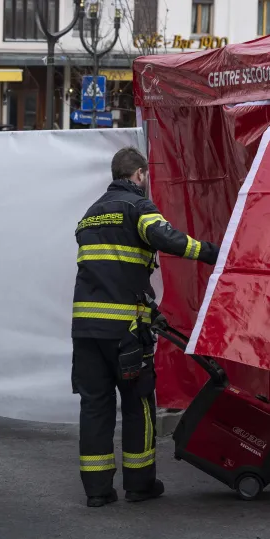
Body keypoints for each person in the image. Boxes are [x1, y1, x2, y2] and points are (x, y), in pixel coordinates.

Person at [72, 147, 219, 508]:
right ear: (138, 174)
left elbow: (112, 272)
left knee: (95, 406)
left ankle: (97, 491)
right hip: (125, 332)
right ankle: (140, 484)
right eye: (145, 176)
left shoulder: (90, 216)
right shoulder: (138, 207)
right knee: (137, 404)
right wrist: (217, 253)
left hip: (86, 329)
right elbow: (168, 240)